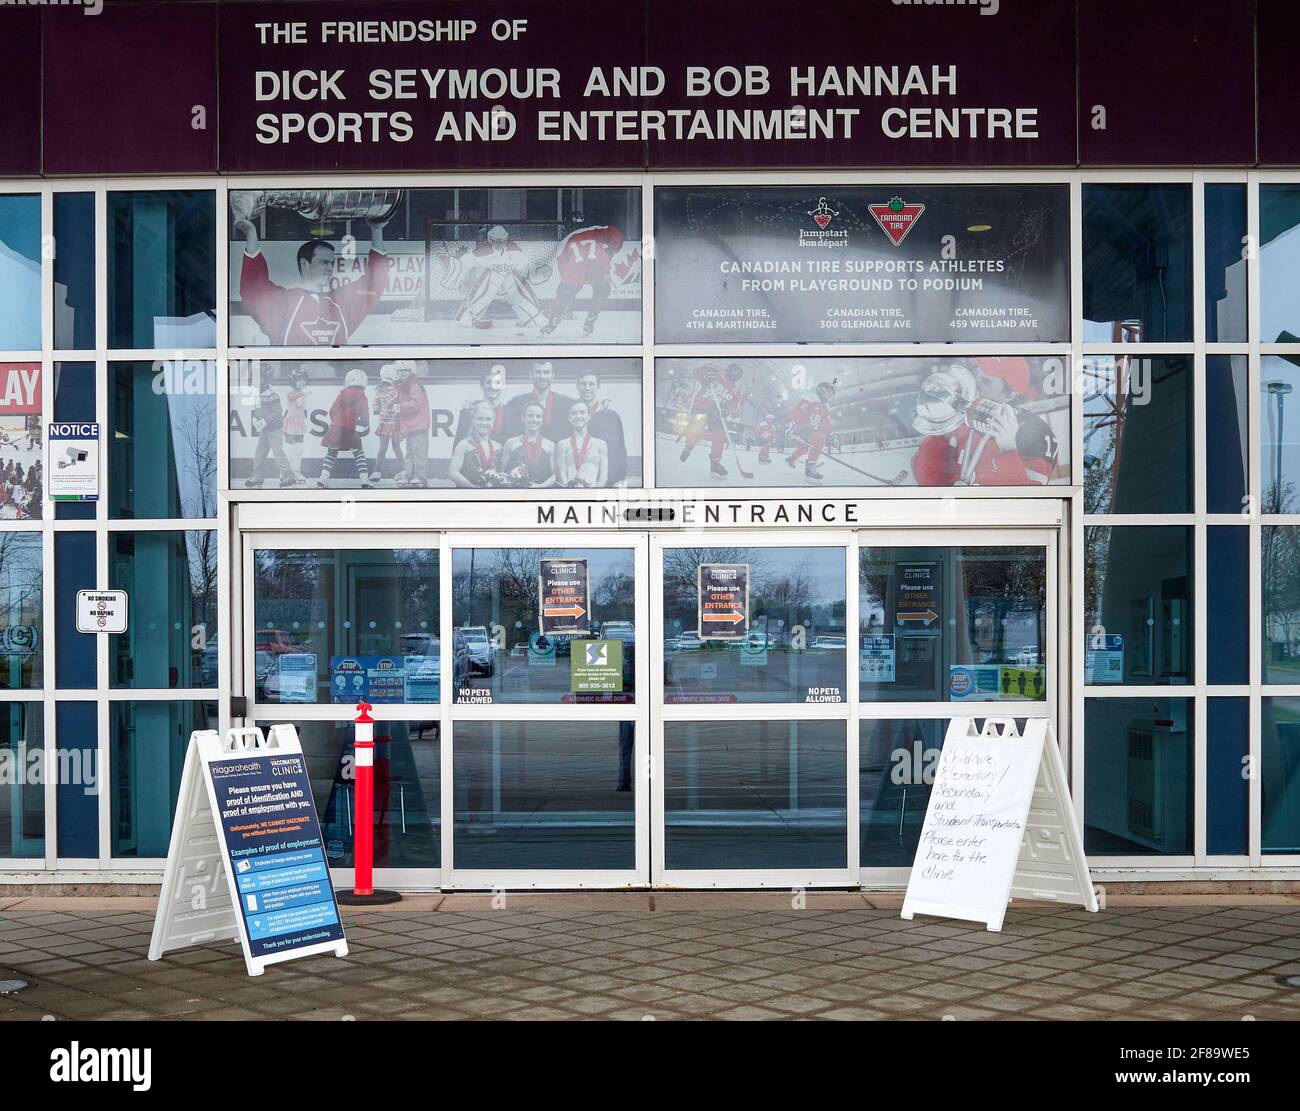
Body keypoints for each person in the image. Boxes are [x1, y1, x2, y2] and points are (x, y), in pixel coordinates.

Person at [233, 215, 391, 345]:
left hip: (335, 379)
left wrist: (377, 231)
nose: (329, 267)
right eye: (323, 262)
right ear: (304, 263)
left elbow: (376, 282)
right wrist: (251, 234)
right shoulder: (284, 301)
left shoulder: (340, 302)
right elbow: (252, 289)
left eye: (331, 263)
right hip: (291, 380)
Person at [910, 358, 1058, 487]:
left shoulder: (1036, 434)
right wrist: (938, 425)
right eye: (976, 375)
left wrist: (1008, 448)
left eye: (986, 382)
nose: (975, 385)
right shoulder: (959, 418)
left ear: (1009, 395)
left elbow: (1029, 502)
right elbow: (927, 482)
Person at [450, 224, 546, 333]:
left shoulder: (514, 250)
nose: (500, 243)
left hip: (509, 286)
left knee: (535, 322)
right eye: (497, 240)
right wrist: (460, 277)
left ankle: (531, 318)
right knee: (493, 276)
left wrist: (538, 270)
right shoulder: (481, 252)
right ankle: (469, 318)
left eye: (502, 240)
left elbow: (526, 268)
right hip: (488, 287)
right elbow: (462, 265)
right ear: (490, 239)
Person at [541, 220, 625, 337]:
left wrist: (565, 277)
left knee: (563, 296)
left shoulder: (571, 237)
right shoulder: (602, 230)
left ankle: (552, 322)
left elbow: (561, 259)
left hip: (575, 268)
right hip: (597, 266)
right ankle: (591, 317)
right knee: (602, 292)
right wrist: (609, 257)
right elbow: (616, 237)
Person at [679, 363, 743, 479]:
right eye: (734, 370)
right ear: (729, 368)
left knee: (720, 436)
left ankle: (715, 464)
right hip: (701, 406)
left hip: (717, 412)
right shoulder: (717, 371)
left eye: (737, 373)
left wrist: (726, 410)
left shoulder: (736, 390)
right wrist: (704, 374)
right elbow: (696, 372)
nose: (734, 373)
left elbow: (734, 406)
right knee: (696, 431)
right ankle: (688, 447)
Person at [245, 370, 300, 488]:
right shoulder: (257, 395)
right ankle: (257, 478)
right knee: (259, 454)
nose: (257, 383)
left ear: (266, 380)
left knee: (278, 452)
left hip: (275, 428)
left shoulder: (272, 395)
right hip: (265, 430)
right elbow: (256, 410)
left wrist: (265, 420)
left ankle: (289, 477)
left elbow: (277, 412)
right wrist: (255, 419)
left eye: (259, 380)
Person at [318, 368, 372, 488]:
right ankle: (364, 480)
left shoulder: (342, 393)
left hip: (336, 428)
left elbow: (332, 410)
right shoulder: (363, 396)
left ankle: (322, 478)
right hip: (351, 429)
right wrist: (365, 424)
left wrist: (336, 423)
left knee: (331, 454)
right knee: (359, 454)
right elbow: (365, 415)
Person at [504, 360, 576, 441]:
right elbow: (510, 433)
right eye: (538, 372)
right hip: (526, 452)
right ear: (531, 375)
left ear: (552, 376)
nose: (542, 376)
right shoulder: (516, 403)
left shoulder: (567, 403)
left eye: (546, 372)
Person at [576, 370, 627, 485]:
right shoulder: (573, 416)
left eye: (591, 384)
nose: (587, 388)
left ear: (598, 386)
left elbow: (619, 449)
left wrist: (618, 479)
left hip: (606, 480)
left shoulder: (611, 416)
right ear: (578, 386)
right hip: (578, 478)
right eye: (583, 384)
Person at [784, 380, 836, 482]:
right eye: (829, 392)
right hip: (804, 429)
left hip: (812, 431)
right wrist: (791, 424)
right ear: (822, 390)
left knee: (804, 448)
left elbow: (826, 422)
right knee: (819, 438)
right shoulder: (811, 399)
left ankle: (791, 459)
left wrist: (832, 434)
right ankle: (810, 468)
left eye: (831, 394)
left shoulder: (826, 407)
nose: (830, 396)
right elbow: (798, 410)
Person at [448, 402, 508, 488]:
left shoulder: (498, 447)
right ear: (473, 420)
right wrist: (474, 488)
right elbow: (453, 473)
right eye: (480, 419)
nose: (484, 423)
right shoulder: (464, 445)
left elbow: (501, 473)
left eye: (488, 419)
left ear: (494, 421)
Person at [554, 400, 608, 488]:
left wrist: (594, 494)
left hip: (593, 495)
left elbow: (603, 476)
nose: (578, 416)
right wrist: (570, 491)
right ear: (569, 418)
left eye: (582, 412)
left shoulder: (601, 444)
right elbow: (562, 474)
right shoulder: (562, 445)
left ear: (589, 416)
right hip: (571, 494)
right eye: (574, 413)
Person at [502, 401, 556, 488]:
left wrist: (540, 486)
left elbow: (555, 475)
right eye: (530, 416)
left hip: (541, 493)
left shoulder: (550, 445)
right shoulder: (510, 443)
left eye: (538, 416)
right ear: (523, 418)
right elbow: (501, 472)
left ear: (542, 420)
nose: (534, 420)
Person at [395, 360, 430, 488]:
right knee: (410, 452)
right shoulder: (405, 385)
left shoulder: (413, 385)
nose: (403, 372)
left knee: (418, 453)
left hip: (418, 425)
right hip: (412, 425)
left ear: (411, 371)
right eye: (400, 370)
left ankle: (420, 476)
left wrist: (400, 407)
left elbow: (415, 403)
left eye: (405, 370)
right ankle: (409, 475)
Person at [454, 363, 507, 444]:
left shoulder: (509, 411)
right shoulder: (470, 409)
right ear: (481, 386)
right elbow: (458, 443)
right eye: (488, 382)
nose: (493, 386)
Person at [372, 362, 404, 482]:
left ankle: (377, 472)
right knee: (397, 448)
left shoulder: (379, 391)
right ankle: (402, 470)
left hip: (384, 424)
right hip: (396, 424)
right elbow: (399, 406)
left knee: (382, 448)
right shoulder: (398, 390)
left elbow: (375, 408)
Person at [284, 366, 310, 481]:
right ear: (293, 381)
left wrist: (303, 392)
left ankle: (296, 471)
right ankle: (286, 473)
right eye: (299, 380)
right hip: (290, 423)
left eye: (303, 379)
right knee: (289, 448)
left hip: (300, 423)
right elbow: (290, 397)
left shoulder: (302, 393)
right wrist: (303, 392)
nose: (301, 382)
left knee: (299, 448)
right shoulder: (291, 393)